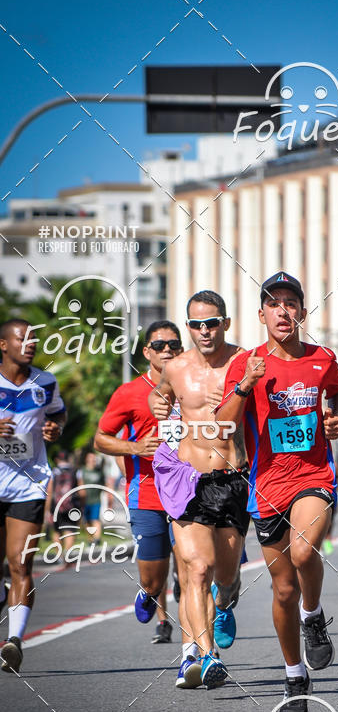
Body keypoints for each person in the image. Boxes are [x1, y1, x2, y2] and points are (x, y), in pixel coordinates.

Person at [216, 271, 338, 712]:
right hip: (266, 484)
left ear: (302, 312)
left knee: (305, 549)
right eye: (274, 304)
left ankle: (314, 615)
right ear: (262, 315)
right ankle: (294, 674)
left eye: (291, 303)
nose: (283, 310)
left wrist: (334, 417)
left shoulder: (321, 358)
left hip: (313, 474)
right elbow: (223, 424)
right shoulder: (246, 363)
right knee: (283, 587)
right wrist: (245, 384)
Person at [148, 291, 249, 690]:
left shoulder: (244, 361)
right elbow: (160, 394)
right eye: (195, 324)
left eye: (211, 323)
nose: (204, 331)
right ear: (187, 325)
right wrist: (159, 403)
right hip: (187, 481)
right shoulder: (176, 367)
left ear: (225, 322)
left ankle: (225, 604)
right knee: (197, 570)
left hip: (232, 479)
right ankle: (206, 657)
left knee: (224, 578)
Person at [94, 321, 184, 645]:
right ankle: (149, 593)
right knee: (154, 580)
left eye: (174, 345)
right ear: (147, 352)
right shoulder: (130, 393)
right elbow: (100, 439)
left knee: (191, 572)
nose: (167, 351)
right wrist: (134, 447)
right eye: (159, 346)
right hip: (147, 494)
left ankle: (195, 653)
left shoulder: (194, 388)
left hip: (189, 495)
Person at [0, 318, 66, 674]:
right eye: (22, 338)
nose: (30, 343)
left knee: (20, 563)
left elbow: (59, 414)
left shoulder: (46, 381)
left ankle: (14, 641)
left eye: (34, 338)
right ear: (3, 345)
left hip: (29, 483)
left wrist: (56, 428)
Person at [48, 450, 81, 555]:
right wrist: (82, 504)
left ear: (57, 459)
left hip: (56, 505)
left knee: (57, 530)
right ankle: (67, 554)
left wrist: (47, 509)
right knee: (70, 528)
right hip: (72, 505)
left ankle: (58, 555)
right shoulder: (76, 471)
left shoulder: (53, 471)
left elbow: (49, 491)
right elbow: (82, 491)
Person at [78, 451, 106, 539]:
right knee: (87, 521)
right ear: (87, 459)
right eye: (91, 458)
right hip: (85, 500)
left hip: (96, 500)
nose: (93, 460)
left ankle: (97, 539)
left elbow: (104, 485)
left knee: (95, 519)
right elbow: (80, 485)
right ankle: (90, 539)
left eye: (94, 458)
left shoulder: (99, 472)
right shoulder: (82, 470)